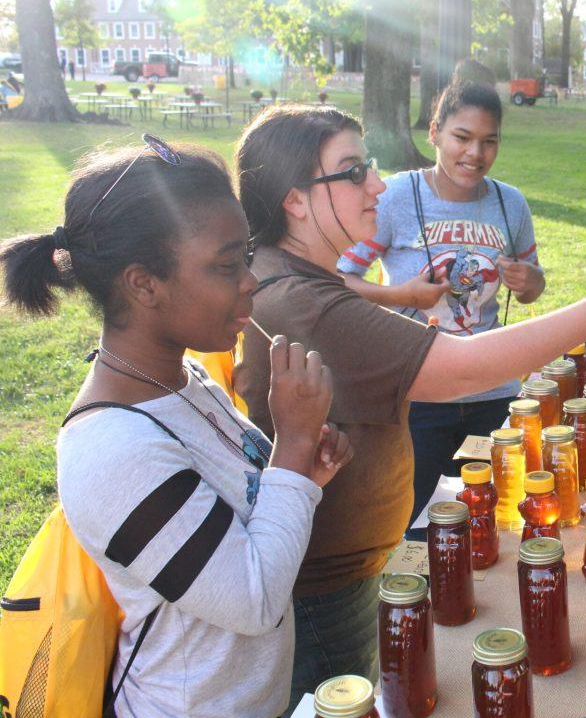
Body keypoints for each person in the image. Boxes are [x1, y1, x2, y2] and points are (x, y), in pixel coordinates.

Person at [232, 103, 586, 709]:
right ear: (295, 199)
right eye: (353, 169)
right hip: (323, 596)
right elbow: (459, 369)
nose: (377, 184)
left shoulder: (297, 279)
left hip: (340, 573)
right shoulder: (301, 301)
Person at [0, 139, 352, 716]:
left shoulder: (182, 379)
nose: (249, 282)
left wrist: (304, 468)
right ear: (144, 285)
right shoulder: (113, 450)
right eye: (225, 264)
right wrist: (290, 442)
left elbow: (247, 516)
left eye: (246, 257)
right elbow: (253, 598)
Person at [339, 76, 545, 521]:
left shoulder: (511, 205)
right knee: (412, 523)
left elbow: (533, 290)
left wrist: (527, 280)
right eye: (462, 137)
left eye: (489, 141)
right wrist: (402, 294)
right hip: (419, 394)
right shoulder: (395, 198)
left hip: (494, 393)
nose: (475, 154)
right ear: (434, 132)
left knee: (490, 517)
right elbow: (337, 282)